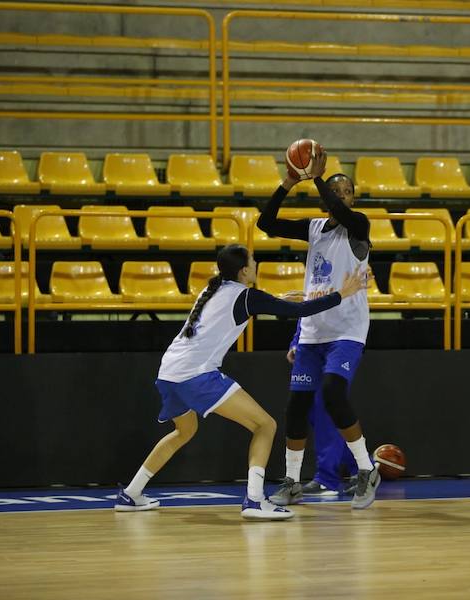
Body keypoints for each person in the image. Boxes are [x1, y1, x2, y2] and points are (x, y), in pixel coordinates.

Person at [115, 244, 365, 520]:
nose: (256, 264)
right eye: (253, 260)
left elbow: (245, 307)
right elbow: (302, 311)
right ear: (244, 269)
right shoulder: (246, 296)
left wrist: (279, 299)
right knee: (265, 425)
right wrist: (343, 294)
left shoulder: (212, 290)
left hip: (169, 372)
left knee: (183, 432)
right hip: (196, 375)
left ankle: (132, 493)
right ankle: (255, 500)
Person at [257, 148, 381, 510]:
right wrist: (288, 183)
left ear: (353, 199)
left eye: (345, 192)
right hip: (313, 330)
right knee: (296, 408)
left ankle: (365, 469)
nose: (339, 196)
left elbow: (340, 212)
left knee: (333, 393)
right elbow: (266, 224)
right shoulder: (315, 228)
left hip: (347, 330)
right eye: (336, 191)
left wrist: (318, 179)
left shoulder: (359, 227)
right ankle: (292, 481)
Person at [286, 323, 359, 497]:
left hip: (339, 340)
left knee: (325, 408)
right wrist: (296, 342)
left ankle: (327, 479)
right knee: (307, 409)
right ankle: (362, 468)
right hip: (310, 343)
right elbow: (310, 308)